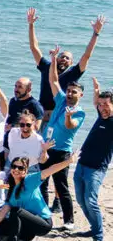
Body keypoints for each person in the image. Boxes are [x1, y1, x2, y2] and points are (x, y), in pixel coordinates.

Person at [0, 153, 77, 241]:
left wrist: (68, 161)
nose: (16, 169)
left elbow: (50, 169)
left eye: (20, 168)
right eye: (14, 166)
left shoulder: (30, 180)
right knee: (2, 225)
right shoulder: (11, 186)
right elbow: (6, 208)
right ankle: (24, 238)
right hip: (28, 226)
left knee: (16, 210)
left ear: (25, 171)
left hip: (43, 224)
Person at [27, 8, 103, 124]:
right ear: (56, 58)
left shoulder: (73, 74)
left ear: (71, 63)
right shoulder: (47, 67)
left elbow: (86, 56)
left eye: (68, 58)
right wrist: (31, 25)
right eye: (62, 56)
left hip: (58, 118)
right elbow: (34, 48)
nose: (64, 59)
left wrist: (95, 34)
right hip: (39, 118)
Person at [40, 46, 86, 231]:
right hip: (47, 148)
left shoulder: (79, 112)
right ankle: (43, 215)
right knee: (42, 181)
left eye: (74, 92)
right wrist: (52, 61)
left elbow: (70, 126)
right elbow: (53, 80)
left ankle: (69, 222)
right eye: (69, 90)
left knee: (61, 186)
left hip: (62, 152)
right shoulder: (60, 100)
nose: (70, 93)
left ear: (80, 95)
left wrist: (68, 118)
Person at [73, 80, 113, 241]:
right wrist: (96, 92)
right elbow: (97, 102)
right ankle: (93, 227)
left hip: (96, 169)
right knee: (81, 201)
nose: (102, 107)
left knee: (91, 201)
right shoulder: (100, 116)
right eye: (100, 104)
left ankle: (99, 239)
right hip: (81, 165)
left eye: (106, 104)